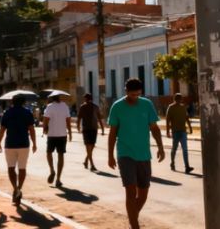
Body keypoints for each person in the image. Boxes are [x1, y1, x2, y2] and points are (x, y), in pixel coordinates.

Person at [108, 78, 164, 229]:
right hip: (125, 154)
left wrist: (161, 146)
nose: (135, 97)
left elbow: (154, 128)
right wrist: (110, 155)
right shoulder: (117, 107)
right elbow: (112, 133)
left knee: (143, 194)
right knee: (130, 192)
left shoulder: (147, 104)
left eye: (138, 95)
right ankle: (134, 225)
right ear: (126, 91)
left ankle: (132, 216)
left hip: (144, 154)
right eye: (132, 95)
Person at [0, 94, 36, 206]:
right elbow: (31, 129)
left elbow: (2, 129)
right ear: (23, 102)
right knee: (22, 168)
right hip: (24, 144)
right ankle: (19, 188)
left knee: (11, 169)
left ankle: (15, 189)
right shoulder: (27, 112)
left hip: (10, 144)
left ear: (12, 102)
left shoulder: (7, 112)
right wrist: (34, 143)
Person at [42, 93, 72, 188]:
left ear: (52, 99)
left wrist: (44, 129)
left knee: (48, 153)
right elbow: (68, 120)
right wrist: (70, 132)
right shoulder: (65, 106)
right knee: (61, 155)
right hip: (62, 134)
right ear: (59, 98)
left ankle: (52, 170)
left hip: (52, 134)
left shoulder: (49, 107)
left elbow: (45, 120)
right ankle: (58, 179)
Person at [165, 93, 194, 173]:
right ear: (175, 99)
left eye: (180, 99)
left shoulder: (183, 107)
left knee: (185, 149)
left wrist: (190, 127)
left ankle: (187, 167)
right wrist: (168, 131)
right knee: (174, 148)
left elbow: (186, 117)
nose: (179, 100)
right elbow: (168, 120)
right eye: (178, 99)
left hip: (183, 131)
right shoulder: (171, 107)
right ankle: (172, 163)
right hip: (175, 132)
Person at [76, 93, 104, 171]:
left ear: (86, 99)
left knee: (91, 146)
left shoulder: (93, 107)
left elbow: (79, 119)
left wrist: (78, 127)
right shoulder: (85, 107)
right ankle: (92, 164)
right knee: (90, 146)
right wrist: (102, 129)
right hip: (89, 129)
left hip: (90, 129)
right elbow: (79, 118)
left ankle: (86, 160)